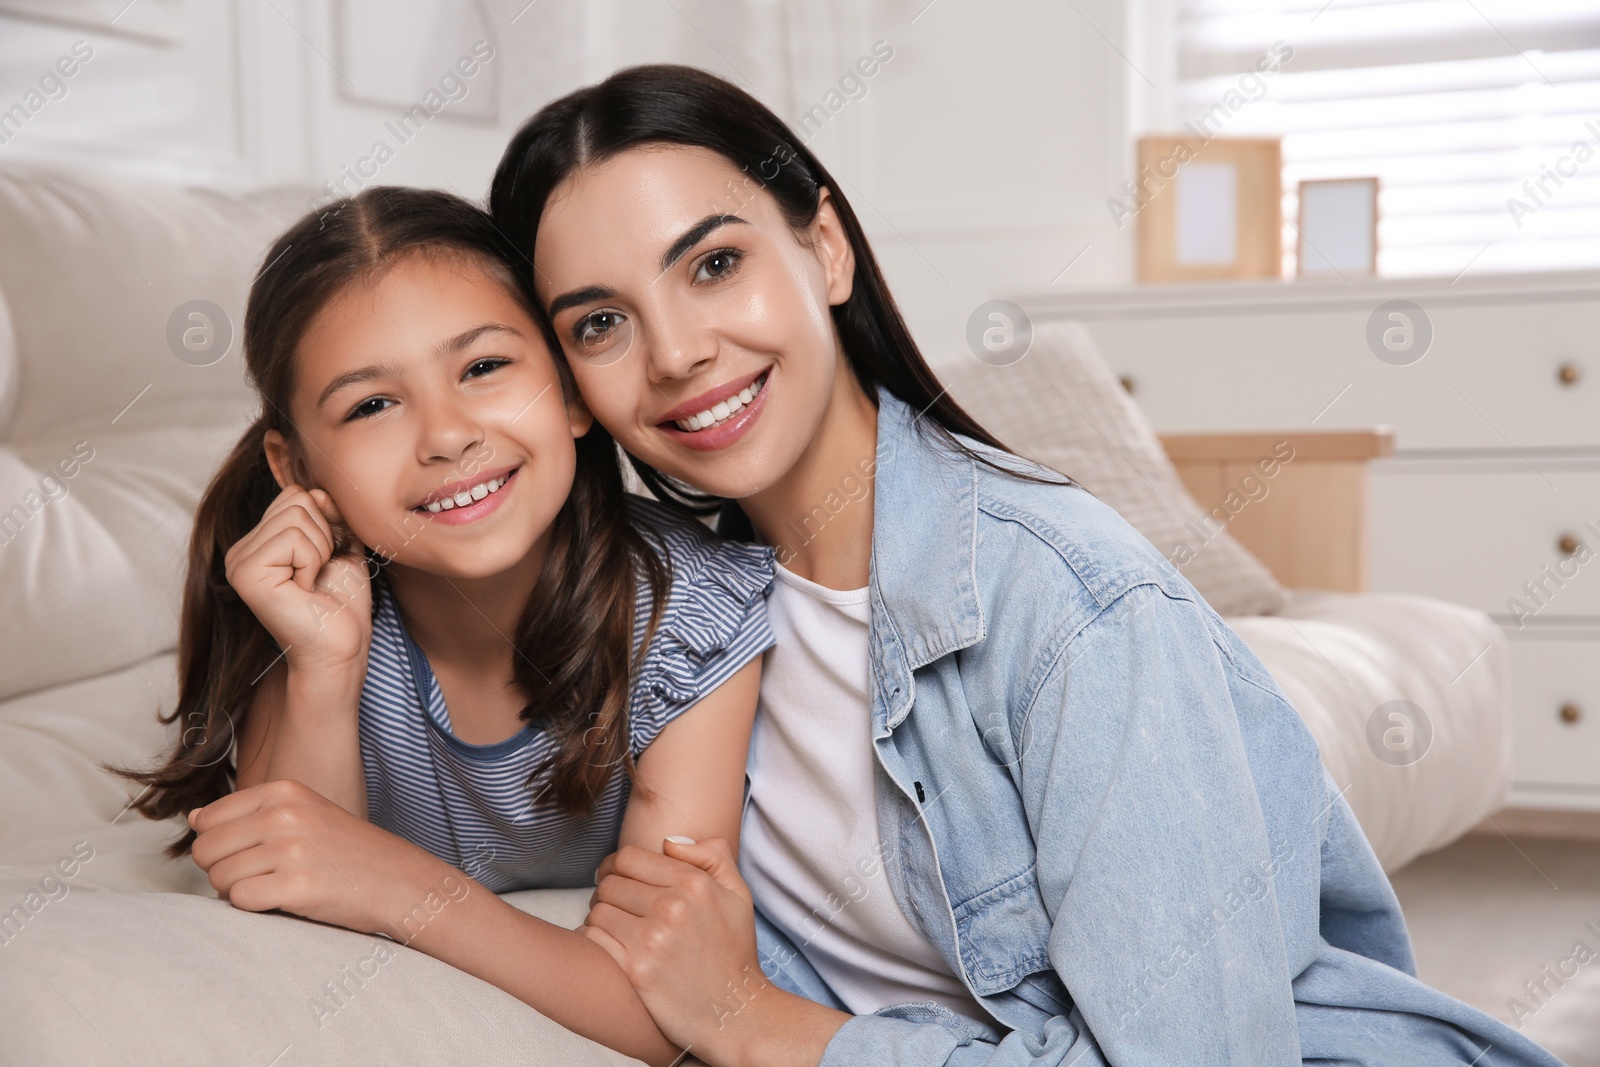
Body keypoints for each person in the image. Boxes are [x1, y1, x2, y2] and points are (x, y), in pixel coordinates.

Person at [485, 64, 1566, 1066]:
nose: (675, 352)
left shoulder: (1072, 606)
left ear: (824, 250)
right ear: (569, 385)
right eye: (600, 323)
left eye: (715, 264)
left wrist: (761, 1022)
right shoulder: (679, 622)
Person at [111, 186, 774, 1067]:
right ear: (296, 465)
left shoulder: (687, 615)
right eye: (371, 406)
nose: (447, 435)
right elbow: (282, 907)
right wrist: (321, 663)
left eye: (484, 367)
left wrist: (404, 887)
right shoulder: (313, 606)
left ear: (573, 393)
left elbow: (669, 1009)